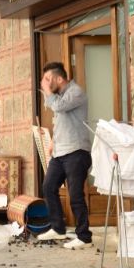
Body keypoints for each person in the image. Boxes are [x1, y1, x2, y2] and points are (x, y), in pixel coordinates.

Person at [38, 62, 93, 249]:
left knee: (75, 194)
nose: (44, 82)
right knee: (48, 186)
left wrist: (47, 90)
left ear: (59, 79)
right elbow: (59, 120)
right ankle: (58, 228)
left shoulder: (75, 92)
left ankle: (84, 236)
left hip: (77, 152)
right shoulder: (59, 95)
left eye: (48, 79)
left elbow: (59, 107)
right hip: (61, 151)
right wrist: (53, 140)